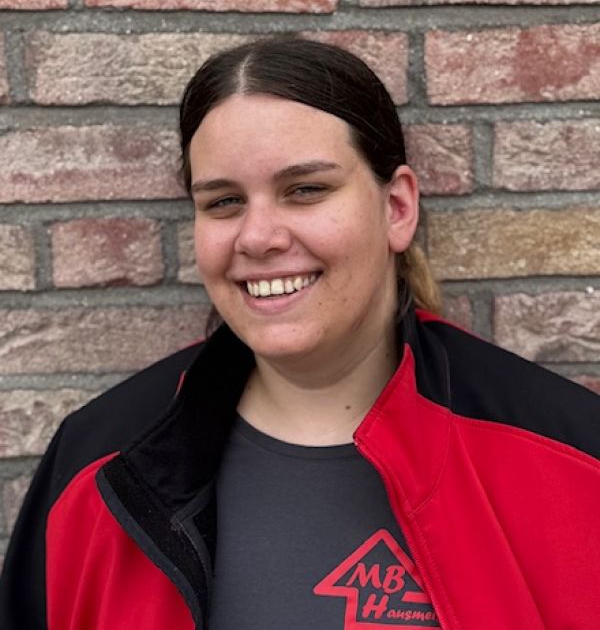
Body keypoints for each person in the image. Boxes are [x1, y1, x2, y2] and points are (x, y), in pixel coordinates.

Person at [1, 37, 599, 630]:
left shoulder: (574, 461)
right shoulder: (94, 469)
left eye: (306, 190)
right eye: (224, 201)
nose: (258, 237)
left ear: (396, 208)